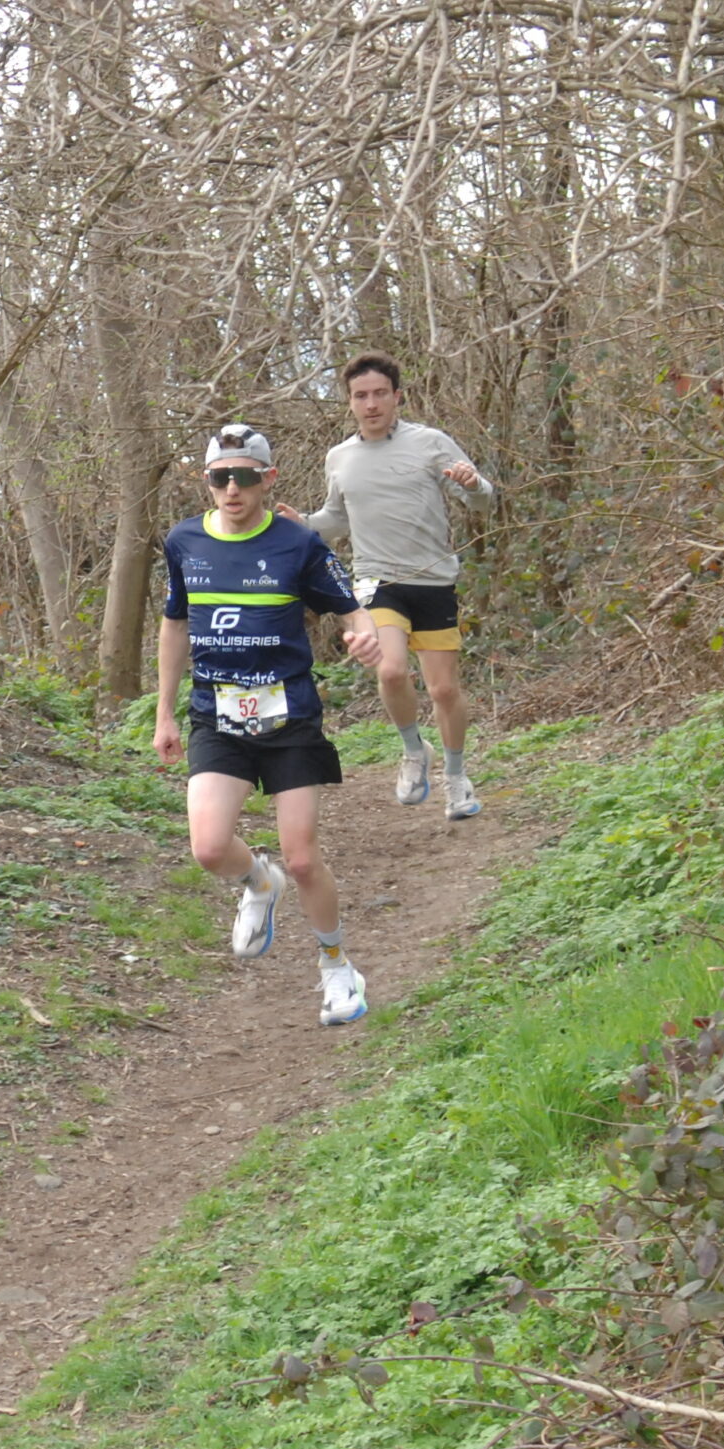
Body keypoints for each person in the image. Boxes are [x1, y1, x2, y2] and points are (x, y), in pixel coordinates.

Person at [154, 424, 386, 1027]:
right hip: (216, 714)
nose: (232, 489)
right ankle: (259, 883)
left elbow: (351, 608)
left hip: (289, 716)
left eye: (245, 477)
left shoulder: (297, 543)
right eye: (220, 478)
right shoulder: (184, 542)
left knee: (303, 859)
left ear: (268, 479)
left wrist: (364, 636)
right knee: (209, 848)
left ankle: (337, 967)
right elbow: (175, 625)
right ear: (206, 481)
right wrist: (164, 712)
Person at [278, 353, 496, 819]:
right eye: (361, 396)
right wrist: (305, 524)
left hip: (433, 579)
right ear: (349, 401)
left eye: (380, 394)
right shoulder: (339, 457)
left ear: (397, 397)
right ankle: (414, 751)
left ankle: (456, 777)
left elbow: (481, 501)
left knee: (443, 690)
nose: (371, 404)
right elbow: (338, 518)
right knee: (391, 671)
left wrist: (473, 483)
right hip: (377, 580)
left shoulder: (430, 443)